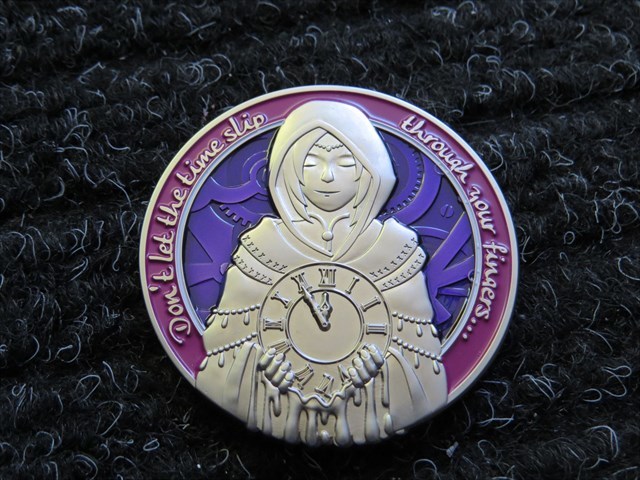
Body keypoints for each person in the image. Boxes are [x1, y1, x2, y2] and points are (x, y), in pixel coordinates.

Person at [196, 100, 447, 445]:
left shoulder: (395, 248)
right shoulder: (262, 246)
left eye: (344, 162)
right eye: (312, 162)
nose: (327, 176)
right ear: (292, 169)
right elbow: (221, 354)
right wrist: (262, 372)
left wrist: (382, 370)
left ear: (367, 170)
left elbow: (425, 364)